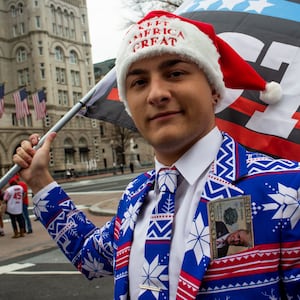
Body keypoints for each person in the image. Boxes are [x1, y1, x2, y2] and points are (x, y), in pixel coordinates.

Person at [12, 10, 300, 299]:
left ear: (214, 90)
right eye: (139, 82)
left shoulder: (287, 189)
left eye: (175, 73)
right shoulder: (135, 196)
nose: (156, 94)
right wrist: (40, 181)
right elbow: (91, 256)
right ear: (128, 104)